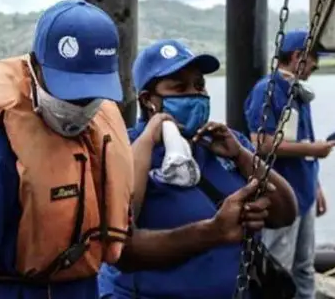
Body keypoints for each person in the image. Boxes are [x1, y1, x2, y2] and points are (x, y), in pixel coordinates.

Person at [0, 0, 275, 299]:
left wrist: (213, 230)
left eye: (91, 94)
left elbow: (122, 250)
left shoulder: (100, 142)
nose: (81, 106)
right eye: (69, 91)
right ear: (34, 70)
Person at [97, 39, 297, 299]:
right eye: (180, 87)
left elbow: (284, 213)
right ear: (148, 100)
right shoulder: (124, 146)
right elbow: (118, 243)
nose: (196, 94)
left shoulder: (224, 143)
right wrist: (149, 139)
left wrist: (241, 154)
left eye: (199, 85)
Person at [244, 29, 335, 299]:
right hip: (280, 196)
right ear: (298, 57)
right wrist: (313, 149)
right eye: (313, 60)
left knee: (305, 266)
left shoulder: (299, 93)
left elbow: (302, 141)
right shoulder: (268, 90)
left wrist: (316, 185)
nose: (315, 66)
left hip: (304, 192)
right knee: (278, 267)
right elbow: (259, 143)